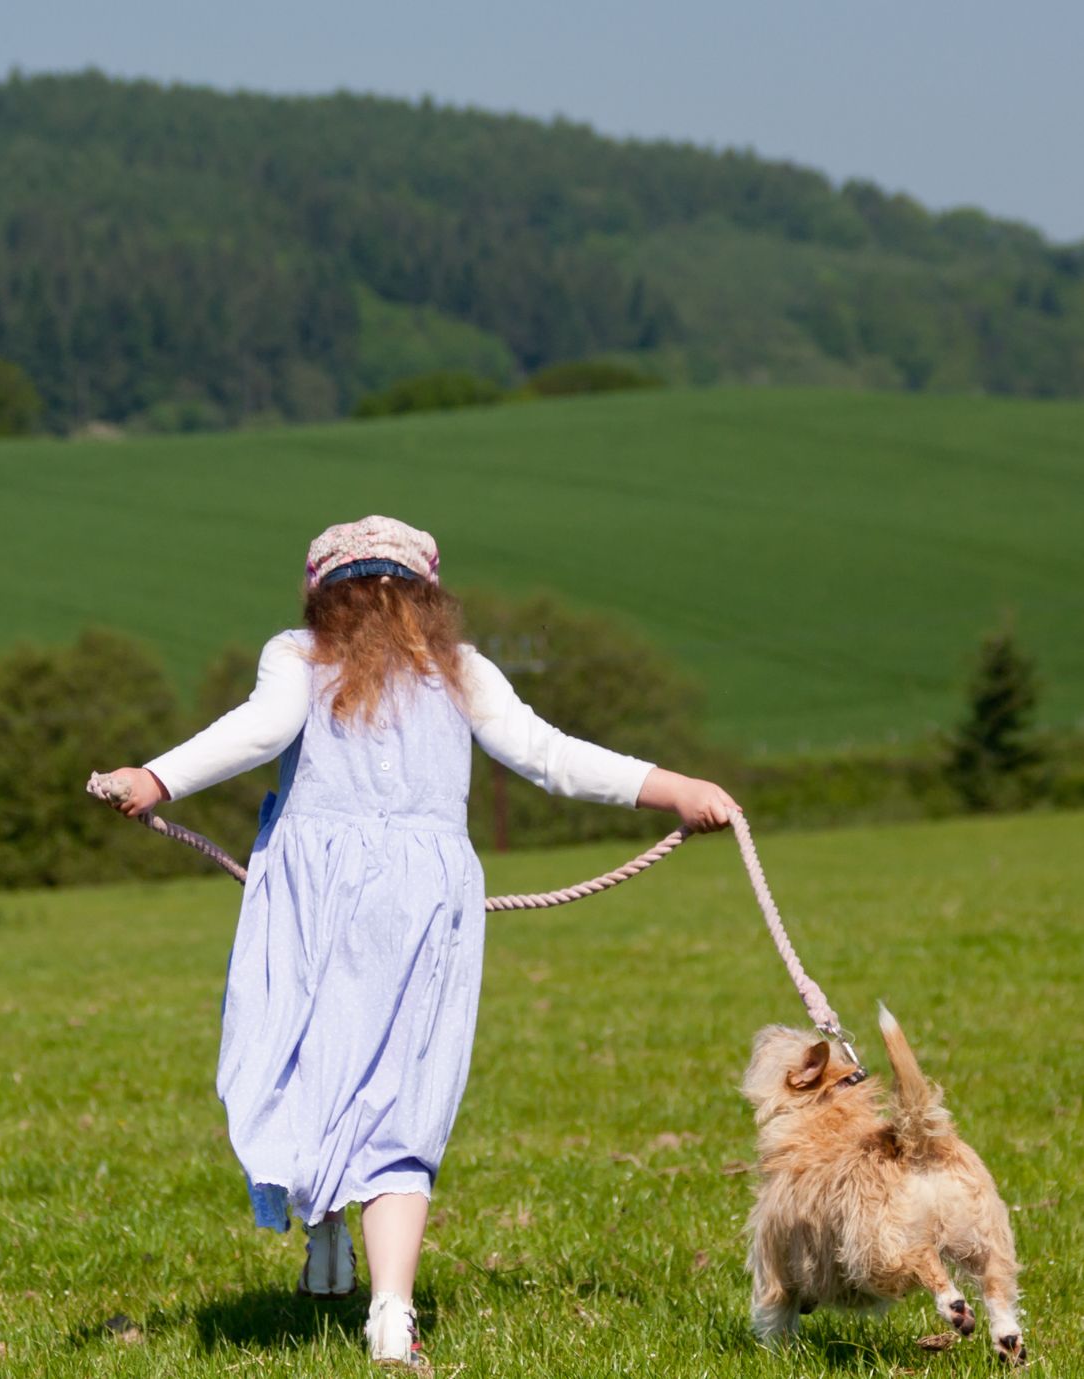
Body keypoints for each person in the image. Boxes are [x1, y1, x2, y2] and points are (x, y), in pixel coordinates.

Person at [100, 516, 737, 1371]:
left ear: (321, 595)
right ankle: (389, 1312)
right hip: (418, 897)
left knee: (311, 1063)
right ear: (429, 595)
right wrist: (677, 787)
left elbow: (260, 730)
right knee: (399, 1088)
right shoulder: (456, 668)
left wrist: (155, 776)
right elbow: (547, 755)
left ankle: (336, 1247)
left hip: (320, 897)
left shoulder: (299, 656)